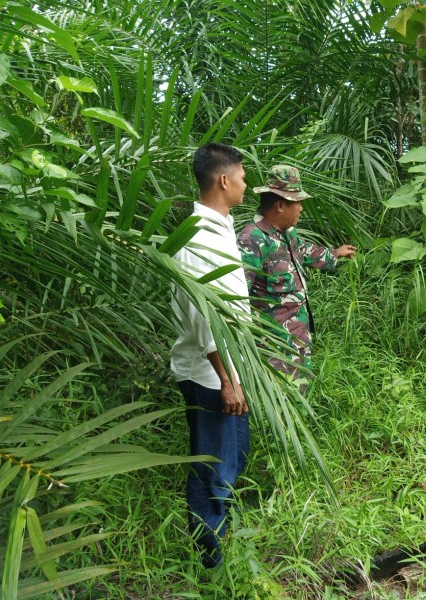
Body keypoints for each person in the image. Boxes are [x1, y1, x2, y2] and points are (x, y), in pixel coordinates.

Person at [170, 142, 250, 568]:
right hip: (210, 375)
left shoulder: (221, 227)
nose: (246, 184)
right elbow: (205, 318)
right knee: (213, 468)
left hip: (228, 371)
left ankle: (222, 542)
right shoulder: (199, 238)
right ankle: (209, 562)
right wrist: (227, 379)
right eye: (242, 177)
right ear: (223, 180)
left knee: (233, 458)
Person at [237, 165, 356, 382]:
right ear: (281, 205)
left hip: (298, 340)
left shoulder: (287, 234)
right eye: (298, 202)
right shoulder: (252, 240)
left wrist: (335, 254)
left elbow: (304, 251)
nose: (301, 208)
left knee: (301, 394)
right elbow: (237, 297)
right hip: (274, 349)